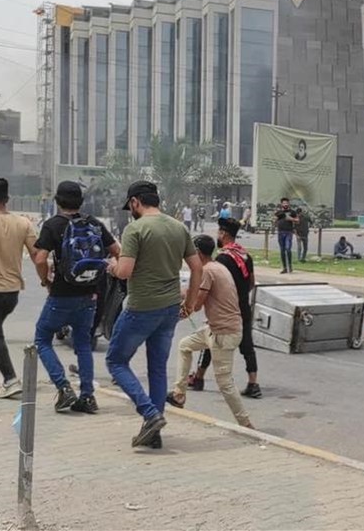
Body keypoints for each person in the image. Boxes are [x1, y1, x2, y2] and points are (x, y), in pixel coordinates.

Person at [105, 180, 201, 449]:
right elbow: (197, 268)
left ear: (135, 202)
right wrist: (191, 302)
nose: (130, 211)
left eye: (130, 206)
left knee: (115, 361)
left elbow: (124, 272)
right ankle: (153, 433)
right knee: (157, 369)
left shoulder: (135, 229)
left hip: (141, 308)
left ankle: (150, 414)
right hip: (170, 309)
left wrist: (112, 266)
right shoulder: (178, 227)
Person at [32, 181, 121, 413]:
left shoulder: (53, 225)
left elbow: (40, 259)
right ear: (81, 202)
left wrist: (46, 281)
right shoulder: (94, 223)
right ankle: (88, 397)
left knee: (42, 338)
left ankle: (63, 388)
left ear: (58, 201)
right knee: (83, 344)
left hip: (61, 294)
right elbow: (118, 252)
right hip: (89, 294)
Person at [166, 235, 255, 429]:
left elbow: (196, 304)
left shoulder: (207, 271)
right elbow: (193, 292)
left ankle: (246, 424)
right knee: (185, 345)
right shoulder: (218, 267)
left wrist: (179, 312)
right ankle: (179, 394)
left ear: (197, 253)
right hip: (216, 328)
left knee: (225, 383)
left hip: (224, 332)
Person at [186, 218, 262, 398]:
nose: (217, 236)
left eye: (218, 232)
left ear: (223, 234)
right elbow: (251, 282)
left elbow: (215, 284)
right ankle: (253, 383)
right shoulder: (245, 255)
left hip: (225, 308)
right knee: (247, 344)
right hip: (243, 305)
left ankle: (199, 378)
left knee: (211, 339)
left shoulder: (222, 258)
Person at [0, 178, 38, 399]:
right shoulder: (23, 223)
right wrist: (46, 280)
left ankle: (11, 380)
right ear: (7, 199)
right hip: (11, 293)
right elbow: (38, 256)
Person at [273, 197, 298, 274]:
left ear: (288, 203)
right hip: (280, 232)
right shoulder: (279, 212)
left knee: (288, 249)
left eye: (286, 203)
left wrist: (291, 219)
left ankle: (290, 266)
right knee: (282, 250)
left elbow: (297, 220)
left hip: (288, 232)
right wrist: (275, 219)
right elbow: (274, 220)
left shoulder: (292, 212)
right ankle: (285, 267)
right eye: (284, 203)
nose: (285, 204)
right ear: (281, 204)